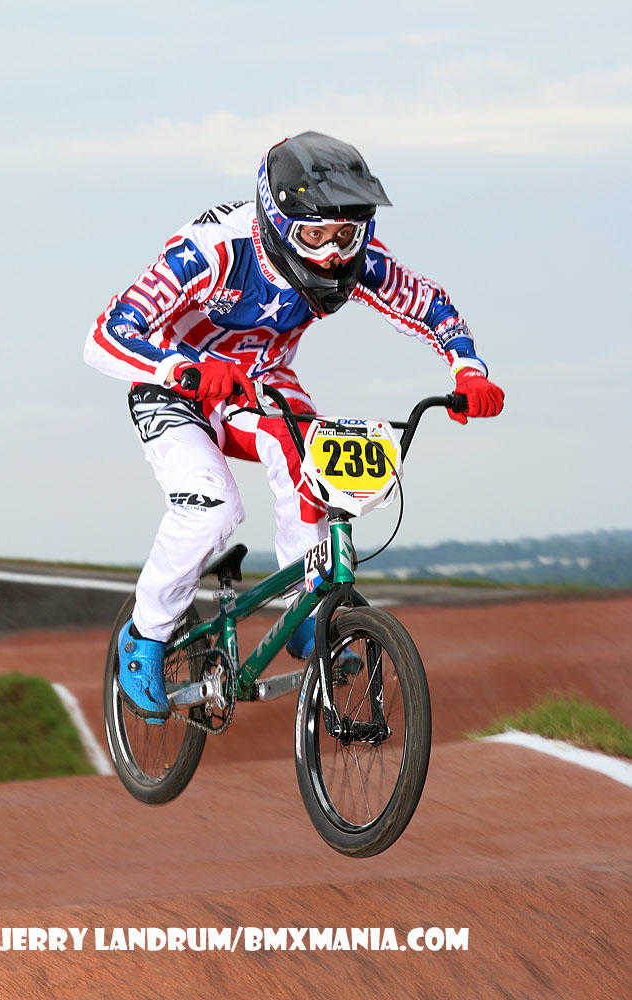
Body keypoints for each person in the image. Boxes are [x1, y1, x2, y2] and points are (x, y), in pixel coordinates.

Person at [84, 130, 504, 722]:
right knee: (212, 508)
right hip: (175, 386)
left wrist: (468, 369)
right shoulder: (213, 252)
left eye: (346, 236)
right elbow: (106, 335)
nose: (332, 254)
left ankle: (305, 609)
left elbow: (428, 303)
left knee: (317, 463)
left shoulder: (356, 261)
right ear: (278, 222)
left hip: (260, 384)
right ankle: (145, 634)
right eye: (314, 236)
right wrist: (180, 367)